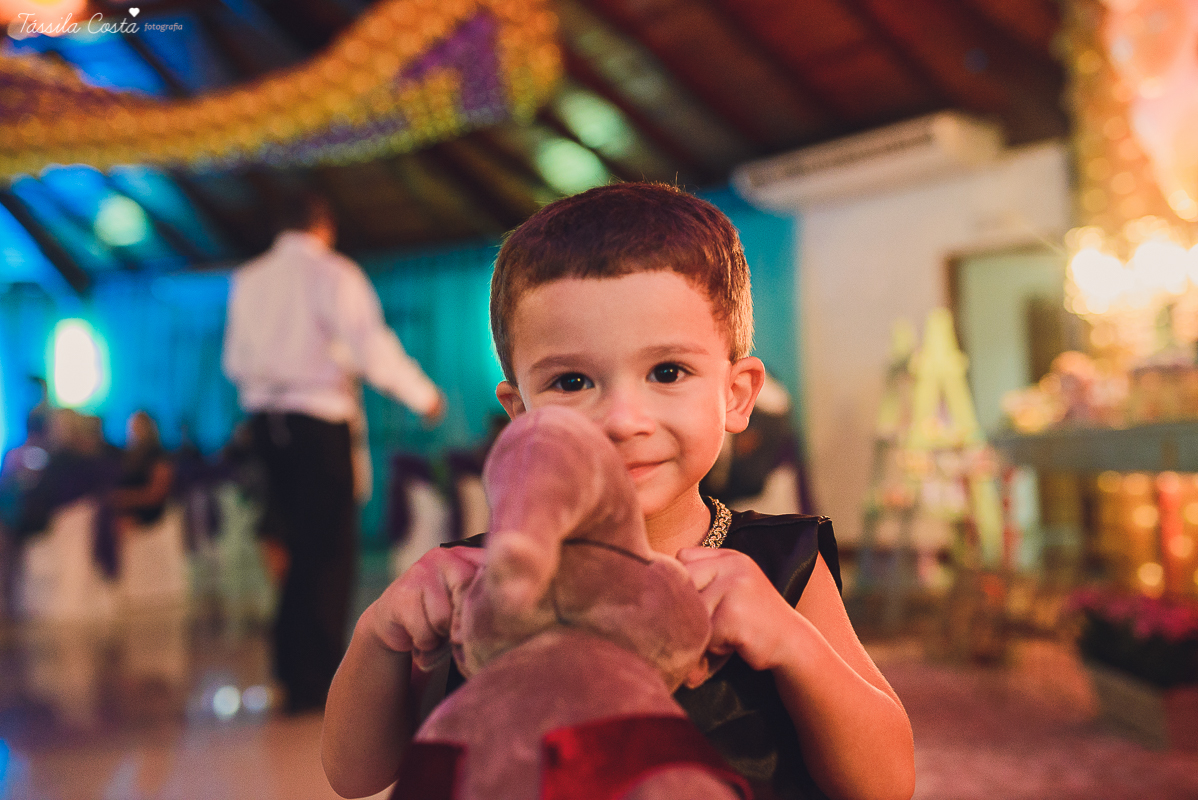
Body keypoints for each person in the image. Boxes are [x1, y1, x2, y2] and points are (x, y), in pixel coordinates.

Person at [322, 184, 915, 800]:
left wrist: (793, 645)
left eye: (667, 372)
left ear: (737, 393)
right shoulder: (487, 579)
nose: (622, 419)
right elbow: (353, 775)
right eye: (573, 381)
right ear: (519, 410)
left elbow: (889, 782)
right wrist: (379, 635)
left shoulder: (778, 568)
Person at [223, 192, 446, 714]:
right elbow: (370, 345)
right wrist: (422, 394)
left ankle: (289, 668)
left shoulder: (249, 279)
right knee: (327, 555)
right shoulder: (332, 273)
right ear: (323, 226)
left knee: (294, 550)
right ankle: (316, 678)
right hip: (318, 423)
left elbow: (235, 362)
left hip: (264, 426)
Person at [110, 410, 175, 533]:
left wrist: (122, 498)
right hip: (129, 521)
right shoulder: (130, 456)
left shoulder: (158, 456)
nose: (135, 430)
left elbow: (156, 494)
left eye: (139, 425)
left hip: (150, 525)